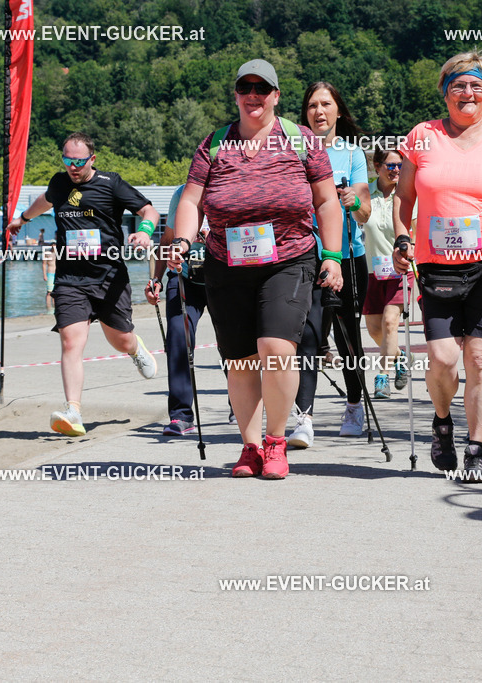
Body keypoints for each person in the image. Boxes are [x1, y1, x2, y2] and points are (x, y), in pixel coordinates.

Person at [167, 59, 344, 479]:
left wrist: (333, 256)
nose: (253, 95)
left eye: (261, 89)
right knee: (241, 360)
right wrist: (183, 240)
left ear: (276, 96)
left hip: (288, 259)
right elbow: (191, 201)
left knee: (277, 349)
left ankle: (276, 440)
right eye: (245, 88)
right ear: (236, 95)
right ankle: (249, 448)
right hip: (225, 264)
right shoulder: (214, 144)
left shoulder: (301, 142)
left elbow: (326, 202)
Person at [391, 51, 482, 483]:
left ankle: (476, 448)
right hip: (435, 264)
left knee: (479, 357)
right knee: (442, 358)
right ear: (445, 91)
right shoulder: (422, 136)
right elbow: (404, 199)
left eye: (476, 85)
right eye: (458, 85)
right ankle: (441, 422)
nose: (467, 93)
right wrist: (402, 238)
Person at [8, 131, 159, 437]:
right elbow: (45, 201)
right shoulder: (59, 182)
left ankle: (134, 348)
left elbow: (149, 210)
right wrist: (22, 219)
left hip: (108, 277)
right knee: (70, 342)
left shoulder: (110, 183)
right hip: (70, 279)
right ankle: (73, 411)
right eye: (67, 160)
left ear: (92, 159)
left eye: (78, 161)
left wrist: (144, 231)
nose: (72, 166)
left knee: (121, 339)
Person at [289, 81, 371, 448]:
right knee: (306, 337)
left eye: (326, 104)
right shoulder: (294, 150)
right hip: (306, 257)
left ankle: (354, 404)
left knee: (348, 337)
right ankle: (303, 417)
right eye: (312, 106)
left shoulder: (352, 154)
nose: (319, 111)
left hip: (349, 258)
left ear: (338, 110)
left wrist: (353, 201)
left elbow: (366, 212)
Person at [147, 184, 210, 436]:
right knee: (177, 335)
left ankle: (237, 405)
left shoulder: (232, 186)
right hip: (184, 276)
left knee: (234, 343)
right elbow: (167, 239)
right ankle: (181, 415)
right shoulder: (181, 194)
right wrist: (157, 279)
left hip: (226, 278)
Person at [361, 148, 414, 401]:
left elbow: (415, 232)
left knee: (391, 322)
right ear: (377, 166)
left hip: (401, 270)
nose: (396, 171)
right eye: (391, 165)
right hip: (373, 270)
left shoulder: (406, 195)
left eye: (400, 166)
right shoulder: (365, 193)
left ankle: (382, 378)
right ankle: (400, 356)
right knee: (374, 328)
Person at [41, 244, 56, 312]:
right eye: (53, 244)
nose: (54, 246)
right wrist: (44, 275)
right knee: (49, 292)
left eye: (55, 244)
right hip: (50, 273)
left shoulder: (59, 252)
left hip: (57, 274)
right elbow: (44, 264)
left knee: (56, 292)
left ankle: (55, 307)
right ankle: (48, 308)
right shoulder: (47, 253)